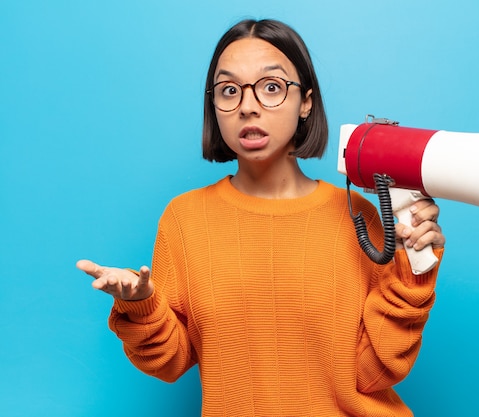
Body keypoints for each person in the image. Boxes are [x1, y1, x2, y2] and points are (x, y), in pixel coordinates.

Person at [77, 18, 445, 416]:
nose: (248, 106)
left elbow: (372, 373)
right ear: (213, 106)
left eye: (271, 87)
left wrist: (414, 272)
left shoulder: (361, 217)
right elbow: (171, 362)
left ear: (305, 101)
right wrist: (143, 305)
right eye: (229, 90)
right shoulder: (184, 219)